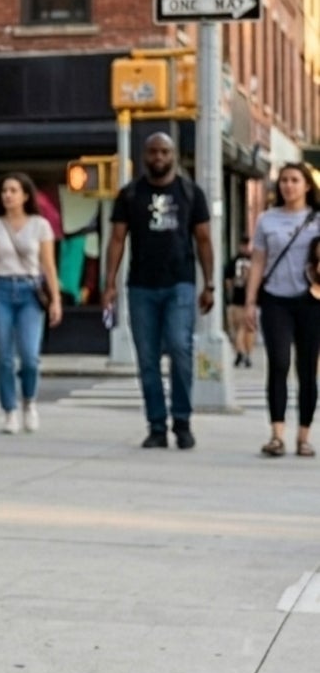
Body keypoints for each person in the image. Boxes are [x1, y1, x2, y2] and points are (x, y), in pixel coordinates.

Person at [102, 133, 214, 450]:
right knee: (147, 359)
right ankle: (156, 426)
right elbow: (117, 240)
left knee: (180, 348)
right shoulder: (130, 194)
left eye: (164, 151)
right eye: (153, 152)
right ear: (144, 155)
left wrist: (210, 284)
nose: (159, 157)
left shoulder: (190, 193)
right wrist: (109, 284)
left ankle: (182, 421)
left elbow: (204, 239)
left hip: (180, 284)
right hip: (141, 286)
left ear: (174, 155)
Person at [0, 173, 62, 434]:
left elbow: (48, 265)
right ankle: (9, 409)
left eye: (13, 190)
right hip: (0, 291)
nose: (8, 195)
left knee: (30, 356)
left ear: (25, 195)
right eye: (4, 191)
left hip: (30, 291)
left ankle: (29, 402)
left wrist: (56, 300)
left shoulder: (40, 225)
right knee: (4, 358)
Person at [244, 164, 320, 458]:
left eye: (295, 180)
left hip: (310, 301)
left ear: (307, 186)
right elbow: (258, 262)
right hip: (275, 299)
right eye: (284, 180)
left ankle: (304, 436)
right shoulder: (267, 219)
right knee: (278, 363)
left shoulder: (317, 219)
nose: (288, 185)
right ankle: (277, 435)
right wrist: (250, 301)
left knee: (307, 368)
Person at [225, 236, 255, 368]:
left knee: (238, 329)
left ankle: (241, 352)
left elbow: (228, 281)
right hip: (249, 300)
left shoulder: (233, 261)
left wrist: (229, 295)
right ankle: (244, 353)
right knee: (246, 329)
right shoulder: (252, 260)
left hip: (237, 299)